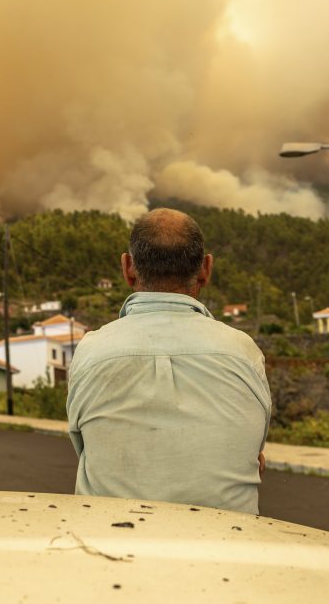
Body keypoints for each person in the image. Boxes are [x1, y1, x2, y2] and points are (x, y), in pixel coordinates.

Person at [67, 208, 272, 514]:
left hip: (110, 546)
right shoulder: (243, 352)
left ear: (128, 268)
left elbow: (87, 447)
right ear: (205, 269)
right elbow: (254, 455)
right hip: (228, 548)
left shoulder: (91, 351)